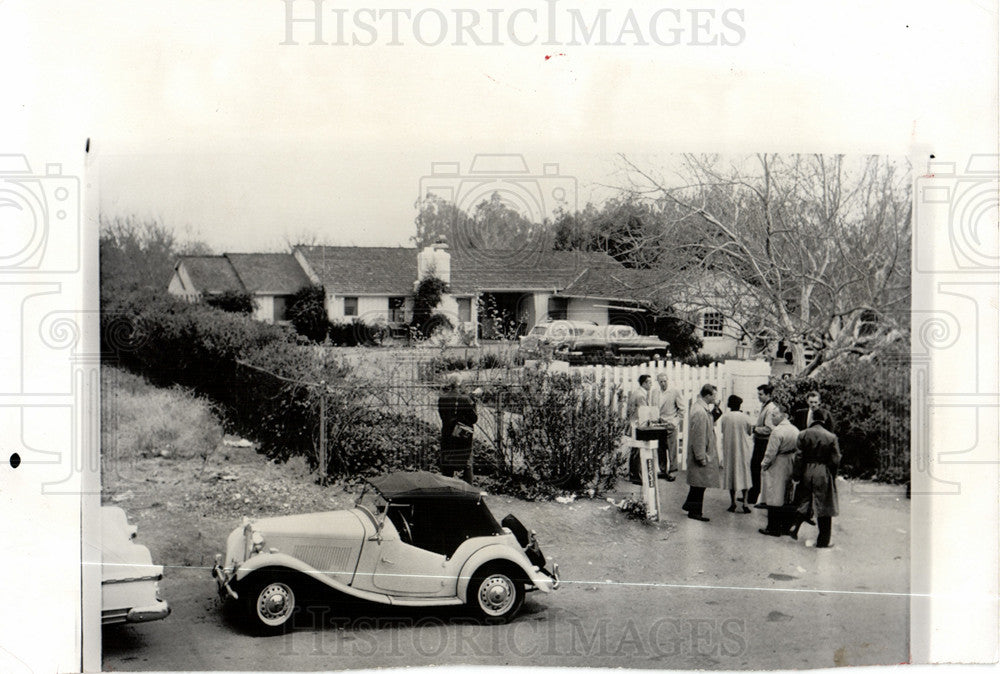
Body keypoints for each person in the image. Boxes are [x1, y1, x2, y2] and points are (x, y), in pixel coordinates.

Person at [789, 409, 841, 547]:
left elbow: (798, 457)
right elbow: (836, 460)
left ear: (812, 418)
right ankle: (823, 540)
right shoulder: (831, 437)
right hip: (823, 471)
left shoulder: (803, 434)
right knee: (825, 505)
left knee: (805, 499)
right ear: (824, 419)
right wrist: (832, 474)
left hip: (806, 470)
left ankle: (796, 525)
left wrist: (796, 475)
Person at [757, 401, 800, 536]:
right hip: (790, 462)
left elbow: (770, 453)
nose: (772, 418)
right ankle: (785, 526)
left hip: (778, 463)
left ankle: (773, 527)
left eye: (775, 415)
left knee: (774, 494)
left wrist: (764, 464)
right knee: (787, 495)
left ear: (784, 416)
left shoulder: (777, 432)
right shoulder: (795, 430)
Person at [682, 384, 721, 522]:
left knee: (698, 483)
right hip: (701, 452)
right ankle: (695, 511)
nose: (716, 398)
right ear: (708, 395)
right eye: (714, 395)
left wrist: (717, 408)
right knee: (699, 484)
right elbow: (699, 436)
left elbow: (711, 422)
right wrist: (700, 456)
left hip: (703, 451)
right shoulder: (700, 411)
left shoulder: (701, 408)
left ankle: (690, 506)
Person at [437, 375, 478, 484]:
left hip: (447, 435)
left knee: (447, 463)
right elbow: (474, 419)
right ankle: (468, 491)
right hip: (462, 437)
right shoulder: (465, 399)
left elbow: (443, 417)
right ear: (459, 384)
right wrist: (474, 403)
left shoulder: (442, 399)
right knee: (466, 463)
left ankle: (447, 491)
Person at [748, 384, 781, 506]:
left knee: (757, 468)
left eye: (761, 394)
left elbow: (768, 429)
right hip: (760, 441)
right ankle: (753, 494)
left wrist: (755, 429)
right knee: (754, 467)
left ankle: (756, 495)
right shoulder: (765, 406)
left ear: (768, 395)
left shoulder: (770, 408)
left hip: (764, 442)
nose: (759, 397)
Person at [720, 395, 753, 513]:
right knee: (744, 474)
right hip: (743, 449)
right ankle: (745, 502)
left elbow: (723, 431)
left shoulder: (725, 417)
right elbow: (750, 432)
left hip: (730, 449)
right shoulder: (746, 417)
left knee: (731, 474)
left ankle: (733, 502)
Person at [653, 373, 683, 481]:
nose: (663, 383)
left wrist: (675, 421)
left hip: (670, 424)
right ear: (658, 382)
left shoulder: (674, 391)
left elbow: (682, 409)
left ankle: (673, 471)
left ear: (668, 380)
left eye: (665, 381)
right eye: (661, 381)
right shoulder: (655, 392)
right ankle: (662, 470)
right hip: (659, 424)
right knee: (660, 448)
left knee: (672, 449)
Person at [626, 375, 653, 484]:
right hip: (638, 425)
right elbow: (644, 413)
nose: (651, 385)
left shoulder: (638, 392)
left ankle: (633, 474)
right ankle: (636, 476)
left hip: (634, 423)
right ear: (644, 383)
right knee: (637, 450)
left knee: (635, 450)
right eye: (649, 382)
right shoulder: (641, 395)